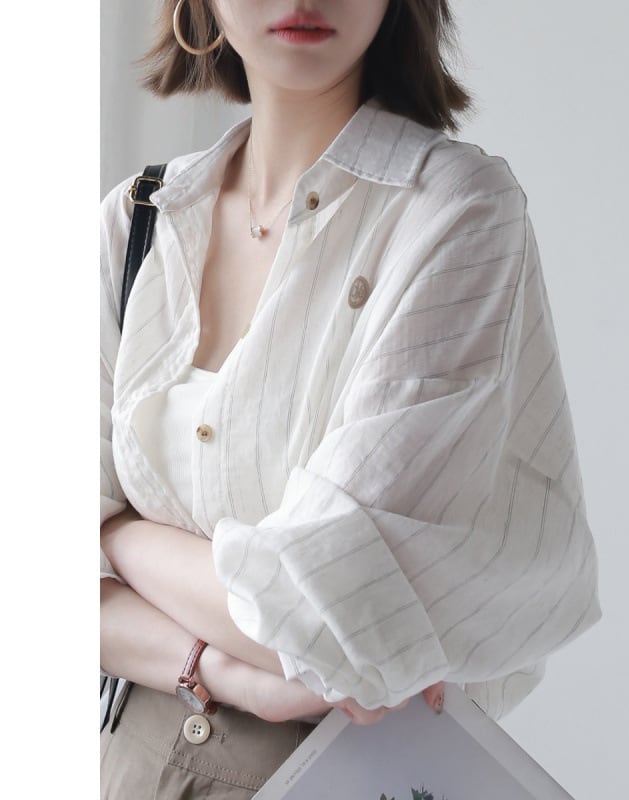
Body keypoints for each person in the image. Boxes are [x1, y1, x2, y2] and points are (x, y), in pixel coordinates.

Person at [99, 0, 602, 797]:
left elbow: (325, 617)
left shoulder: (456, 212)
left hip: (332, 768)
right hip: (125, 761)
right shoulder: (137, 223)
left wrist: (115, 535)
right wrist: (227, 672)